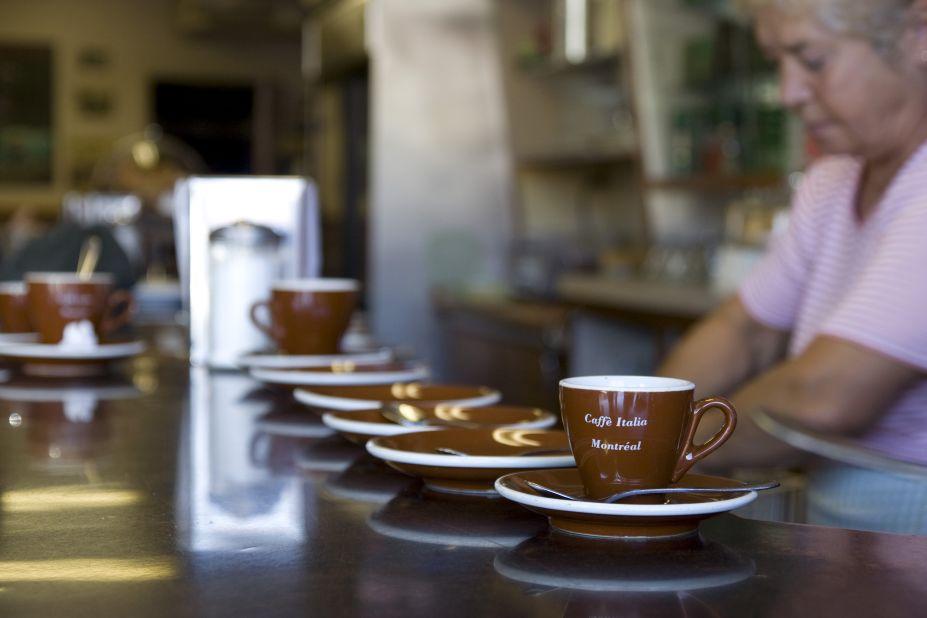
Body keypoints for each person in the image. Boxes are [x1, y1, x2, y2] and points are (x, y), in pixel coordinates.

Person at [658, 0, 927, 533]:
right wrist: (640, 425)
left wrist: (651, 454)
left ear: (919, 35)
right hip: (841, 522)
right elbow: (745, 328)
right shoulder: (833, 181)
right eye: (777, 61)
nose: (789, 93)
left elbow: (825, 394)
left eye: (813, 59)